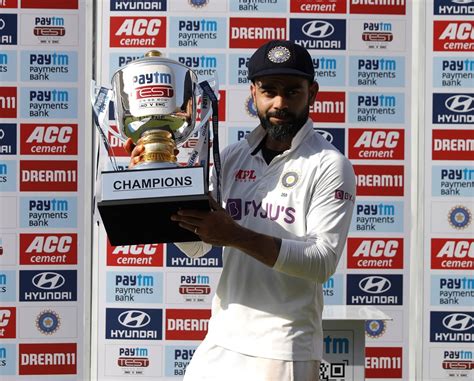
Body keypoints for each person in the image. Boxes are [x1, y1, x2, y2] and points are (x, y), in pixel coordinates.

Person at [125, 40, 356, 381]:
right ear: (254, 92)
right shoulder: (232, 156)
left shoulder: (330, 165)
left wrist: (233, 234)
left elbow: (321, 262)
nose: (280, 103)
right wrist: (158, 183)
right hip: (222, 338)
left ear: (313, 93)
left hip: (283, 347)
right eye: (269, 91)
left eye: (293, 92)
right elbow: (197, 245)